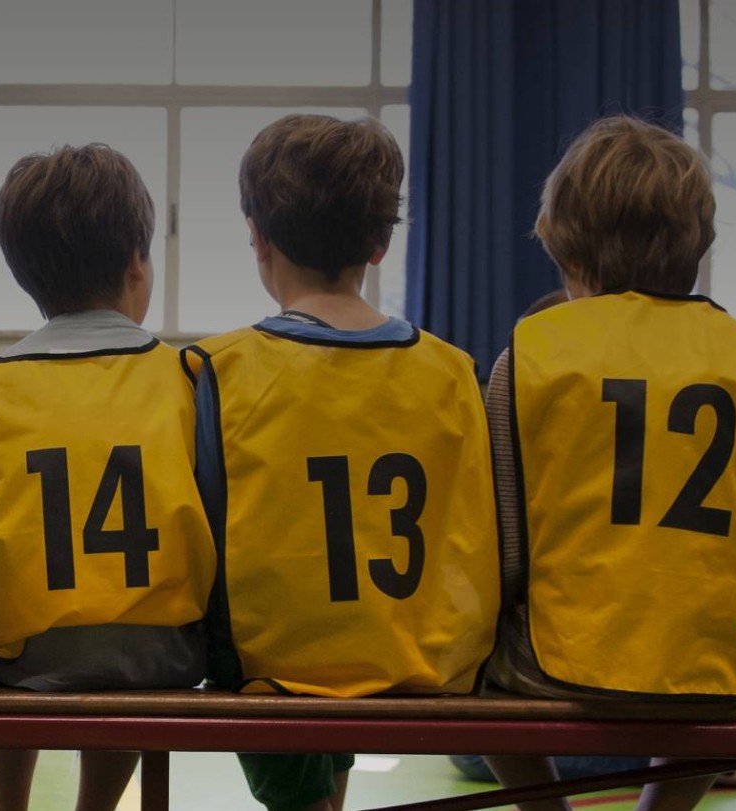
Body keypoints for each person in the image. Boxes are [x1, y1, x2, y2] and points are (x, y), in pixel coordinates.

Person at [481, 115, 736, 811]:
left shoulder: (534, 351)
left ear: (568, 251)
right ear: (697, 242)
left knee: (472, 659)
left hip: (557, 662)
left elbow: (506, 550)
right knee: (713, 680)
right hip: (713, 668)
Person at [183, 114, 499, 811]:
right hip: (420, 657)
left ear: (258, 238)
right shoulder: (454, 371)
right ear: (382, 243)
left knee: (264, 646)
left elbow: (200, 530)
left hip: (277, 670)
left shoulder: (221, 369)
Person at [0, 144, 215, 811]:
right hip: (164, 654)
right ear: (136, 263)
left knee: (6, 621)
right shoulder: (184, 380)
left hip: (20, 659)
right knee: (129, 630)